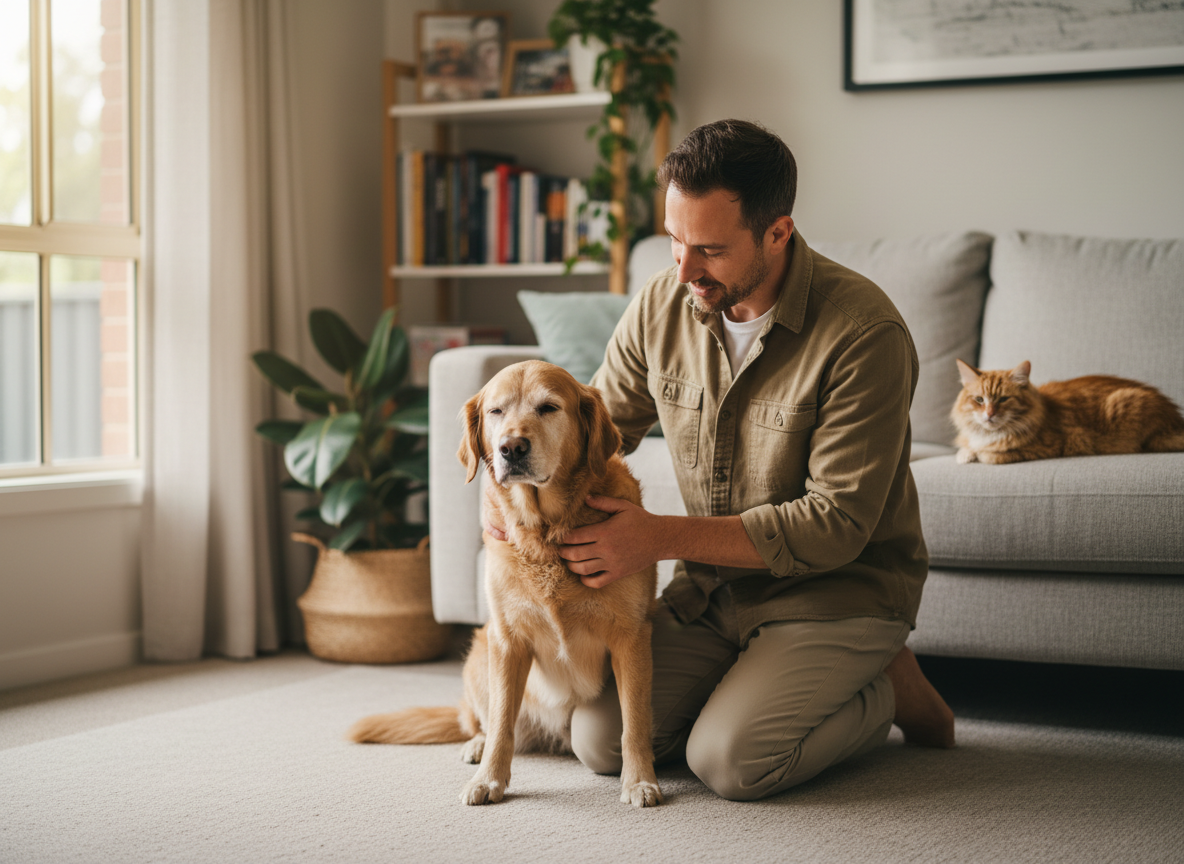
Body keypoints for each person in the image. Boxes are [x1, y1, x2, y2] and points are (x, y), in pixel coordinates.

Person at [493, 119, 955, 801]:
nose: (683, 270)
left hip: (835, 590)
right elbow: (592, 429)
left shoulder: (865, 334)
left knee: (733, 763)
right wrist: (508, 500)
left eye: (708, 248)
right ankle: (761, 677)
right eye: (675, 241)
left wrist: (656, 538)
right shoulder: (664, 300)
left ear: (778, 233)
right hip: (715, 593)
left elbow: (835, 524)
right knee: (599, 743)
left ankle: (884, 684)